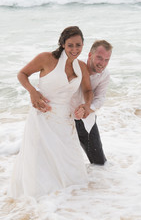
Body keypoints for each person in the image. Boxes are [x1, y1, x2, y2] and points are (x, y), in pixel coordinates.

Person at [9, 26, 93, 198]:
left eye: (78, 45)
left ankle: (71, 200)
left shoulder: (82, 66)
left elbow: (88, 90)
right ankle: (42, 204)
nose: (74, 49)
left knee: (70, 161)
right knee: (40, 161)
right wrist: (33, 92)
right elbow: (22, 74)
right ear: (63, 44)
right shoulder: (46, 58)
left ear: (83, 45)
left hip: (65, 119)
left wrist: (86, 105)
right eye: (70, 45)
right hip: (42, 116)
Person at [72, 40, 112, 165]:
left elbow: (100, 98)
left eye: (106, 60)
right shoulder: (75, 66)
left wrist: (89, 108)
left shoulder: (105, 75)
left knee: (99, 163)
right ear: (90, 55)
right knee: (65, 162)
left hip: (86, 119)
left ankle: (98, 182)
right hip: (65, 118)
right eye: (99, 58)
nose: (102, 63)